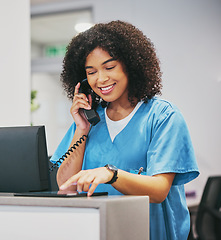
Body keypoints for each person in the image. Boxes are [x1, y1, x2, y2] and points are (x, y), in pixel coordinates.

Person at [50, 20, 199, 239]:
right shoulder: (88, 121)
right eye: (91, 72)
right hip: (100, 230)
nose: (101, 79)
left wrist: (111, 174)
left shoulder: (163, 117)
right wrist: (81, 128)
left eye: (109, 67)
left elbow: (158, 190)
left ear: (130, 65)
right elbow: (66, 185)